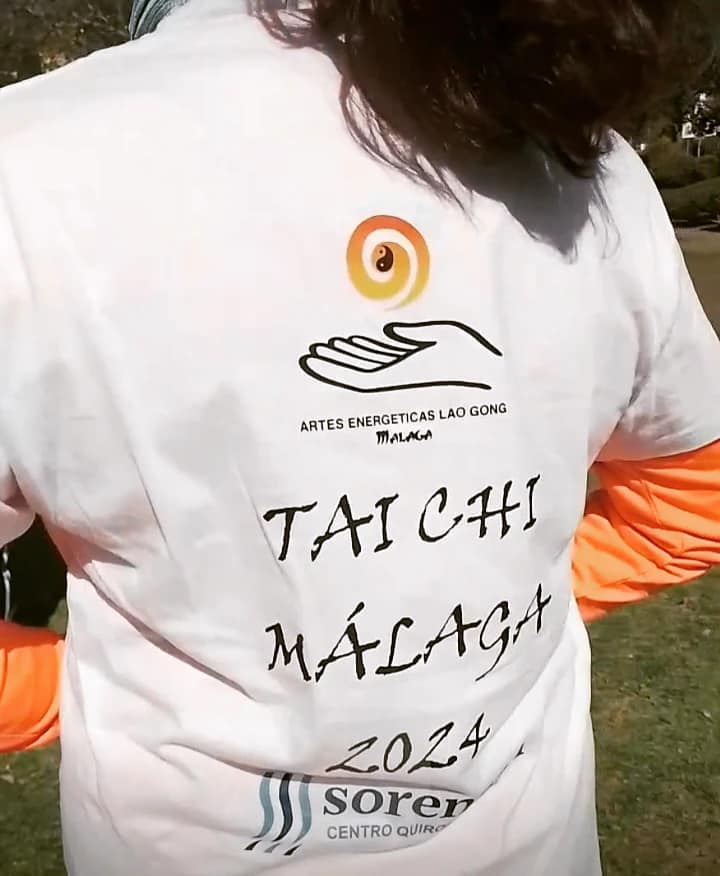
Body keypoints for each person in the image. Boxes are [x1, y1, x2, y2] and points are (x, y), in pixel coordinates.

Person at [0, 1, 719, 874]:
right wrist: (495, 591)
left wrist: (81, 687)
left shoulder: (26, 164)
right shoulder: (581, 159)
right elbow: (694, 503)